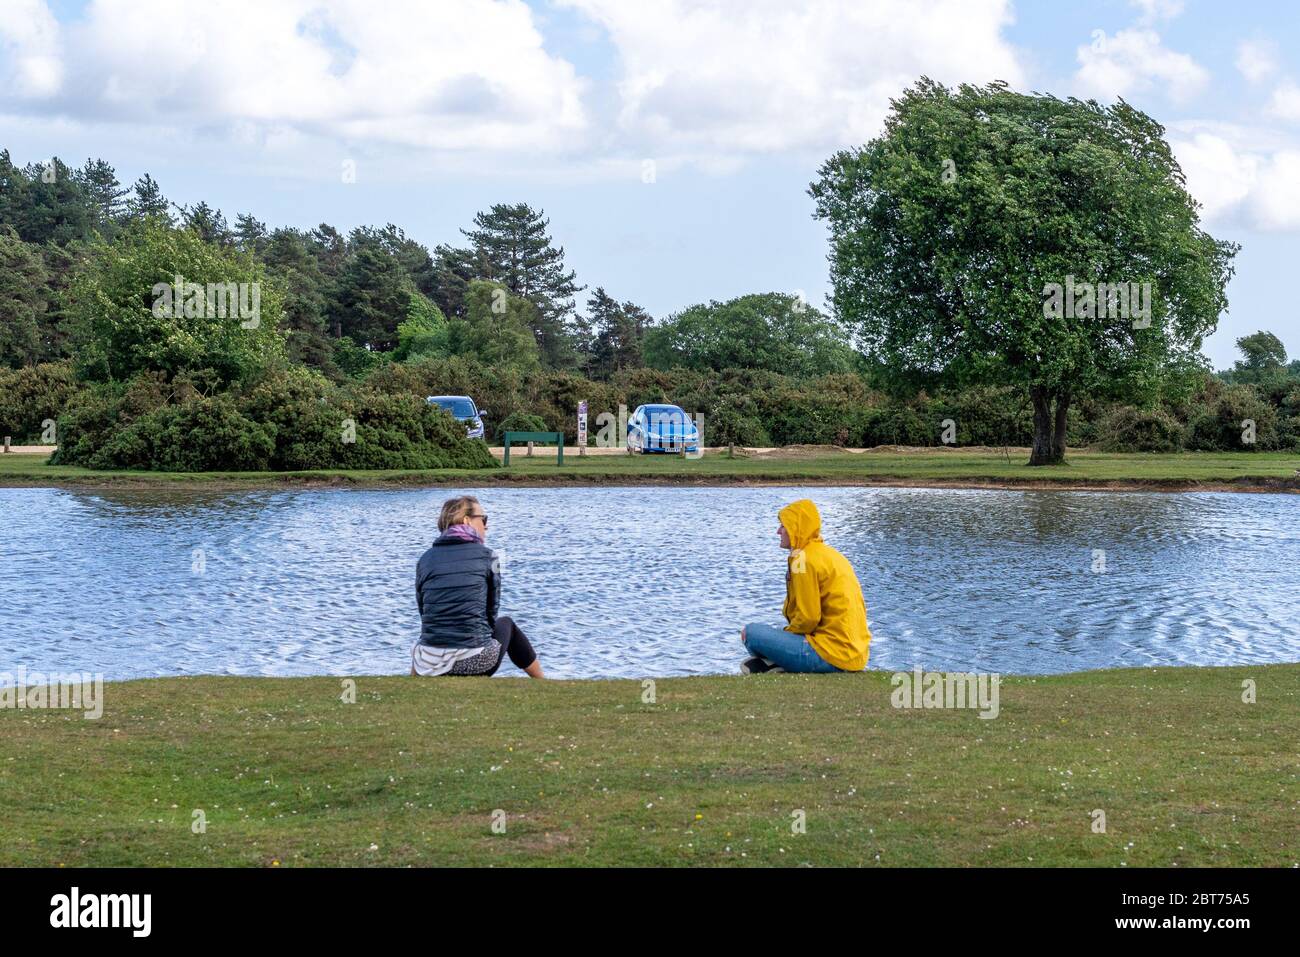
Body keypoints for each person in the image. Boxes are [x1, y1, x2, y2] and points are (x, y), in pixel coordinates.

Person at [411, 495, 545, 678]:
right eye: (483, 519)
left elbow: (423, 612)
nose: (486, 525)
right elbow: (492, 610)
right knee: (507, 624)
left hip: (427, 663)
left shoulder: (424, 560)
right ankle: (543, 681)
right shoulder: (490, 556)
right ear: (467, 520)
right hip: (474, 662)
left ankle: (417, 677)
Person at [740, 498, 871, 674]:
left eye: (783, 526)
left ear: (796, 528)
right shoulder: (831, 555)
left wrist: (787, 634)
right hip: (855, 657)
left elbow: (808, 618)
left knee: (750, 633)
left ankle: (777, 664)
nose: (778, 532)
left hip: (828, 656)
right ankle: (777, 664)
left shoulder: (802, 559)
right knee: (776, 635)